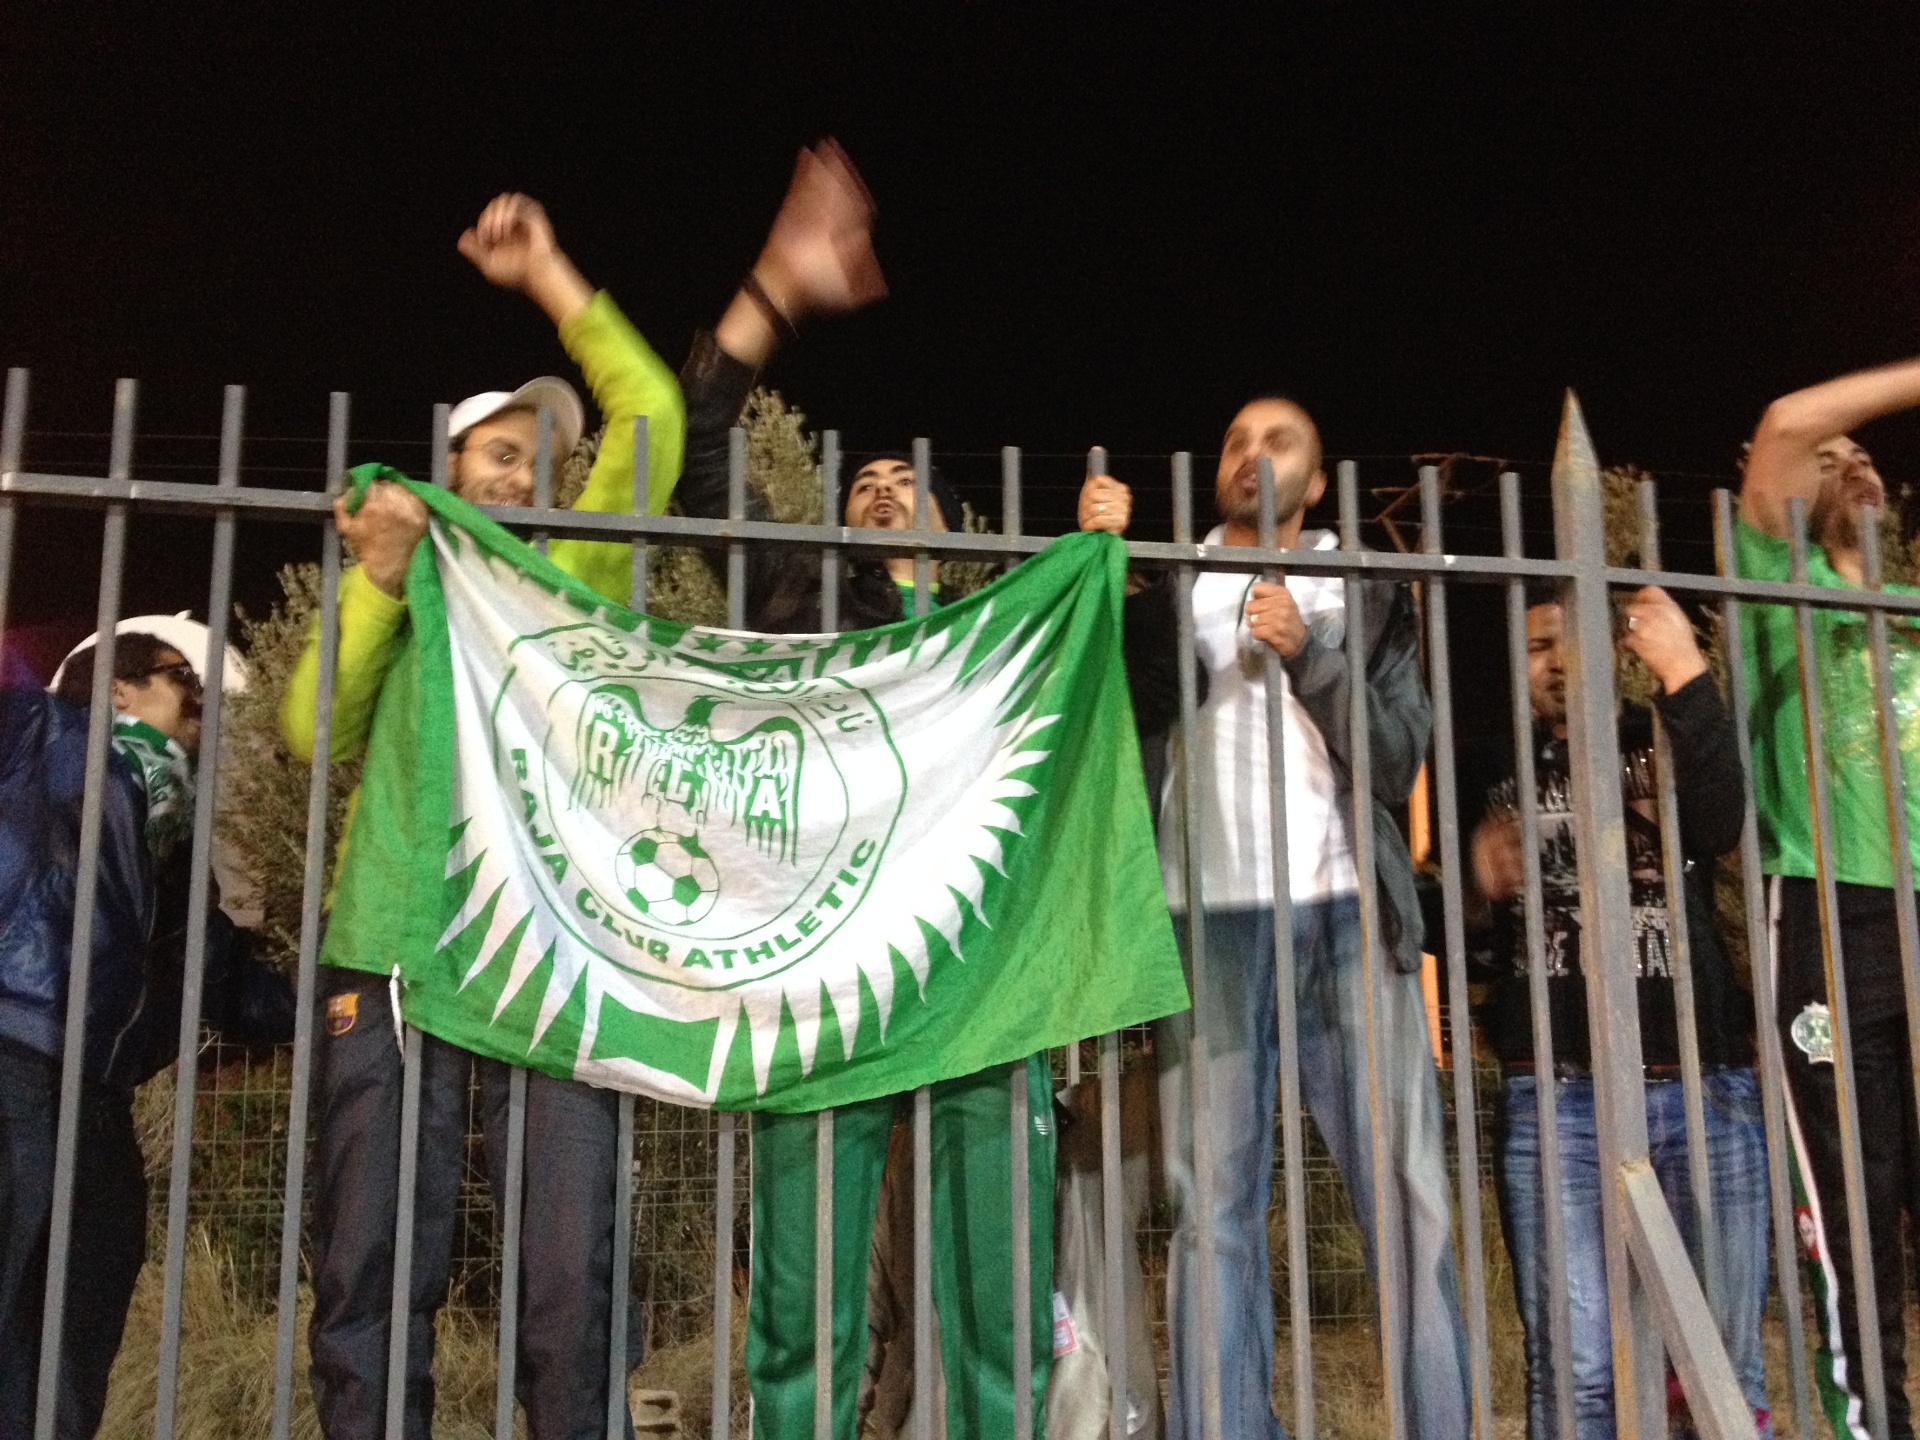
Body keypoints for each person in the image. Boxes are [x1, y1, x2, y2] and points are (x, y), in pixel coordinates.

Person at [669, 140, 1148, 1439]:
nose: (881, 495)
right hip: (823, 970)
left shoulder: (1008, 633)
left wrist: (1106, 564)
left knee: (1000, 1301)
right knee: (806, 1307)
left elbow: (1127, 715)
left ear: (949, 525)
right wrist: (777, 284)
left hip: (981, 979)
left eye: (903, 485)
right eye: (862, 488)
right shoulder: (800, 599)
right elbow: (697, 445)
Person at [280, 191, 685, 1440]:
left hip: (547, 961)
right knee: (371, 1260)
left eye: (537, 459)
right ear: (448, 471)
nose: (519, 471)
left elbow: (654, 414)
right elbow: (309, 731)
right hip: (398, 952)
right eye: (496, 453)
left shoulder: (571, 577)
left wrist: (550, 272)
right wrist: (378, 579)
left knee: (570, 1276)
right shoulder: (402, 586)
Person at [1144, 394, 1469, 1440]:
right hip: (1207, 921)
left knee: (1407, 1199)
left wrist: (1309, 656)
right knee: (1213, 1210)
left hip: (1345, 913)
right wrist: (1108, 560)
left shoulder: (1363, 589)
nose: (1253, 454)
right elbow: (1117, 712)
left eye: (1278, 440)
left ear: (1319, 481)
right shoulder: (1173, 581)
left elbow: (1399, 759)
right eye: (1235, 440)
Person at [1462, 589, 1771, 1438]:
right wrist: (1473, 886)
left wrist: (1687, 679)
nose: (1557, 663)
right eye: (1537, 648)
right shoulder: (1489, 765)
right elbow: (1438, 919)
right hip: (1556, 1092)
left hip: (1701, 1080)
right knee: (1579, 1373)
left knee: (1720, 1365)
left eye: (1574, 642)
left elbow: (1723, 822)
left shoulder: (1663, 735)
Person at [1, 623, 289, 1438]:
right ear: (117, 689)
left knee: (77, 1321)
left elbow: (225, 985)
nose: (198, 697)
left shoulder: (175, 850)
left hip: (95, 1096)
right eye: (178, 677)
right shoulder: (44, 736)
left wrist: (351, 993)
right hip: (17, 1055)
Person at [1737, 356, 1920, 1440]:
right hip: (1826, 913)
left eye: (1867, 459)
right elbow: (1786, 422)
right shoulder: (1777, 583)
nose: (1850, 461)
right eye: (1831, 458)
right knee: (1856, 1196)